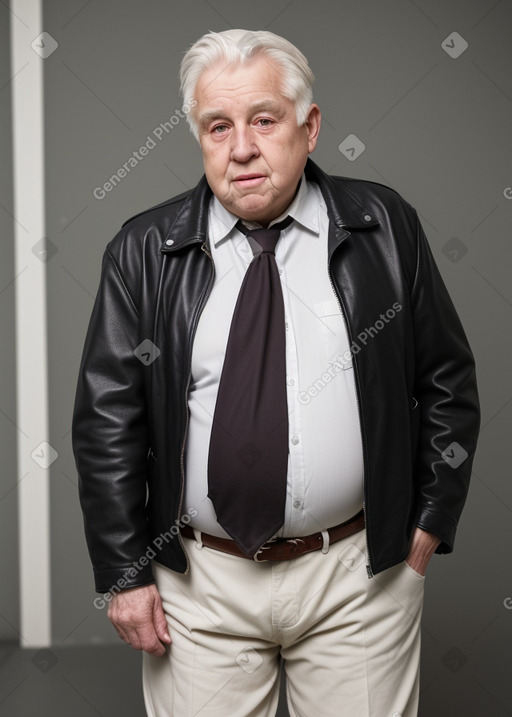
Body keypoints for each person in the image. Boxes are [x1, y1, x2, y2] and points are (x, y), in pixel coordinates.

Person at [72, 28, 480, 717]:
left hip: (359, 579)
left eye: (264, 120)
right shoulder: (143, 250)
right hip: (200, 587)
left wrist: (425, 529)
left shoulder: (384, 226)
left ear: (310, 126)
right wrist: (124, 570)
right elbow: (106, 421)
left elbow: (447, 380)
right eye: (217, 125)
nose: (241, 148)